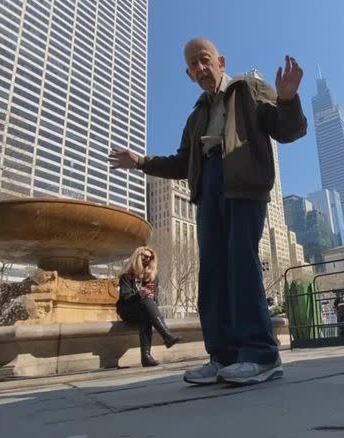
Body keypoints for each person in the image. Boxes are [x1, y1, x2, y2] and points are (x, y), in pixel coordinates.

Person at [109, 38, 306, 385]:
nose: (201, 69)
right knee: (212, 273)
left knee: (241, 265)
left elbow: (287, 129)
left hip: (243, 183)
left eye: (204, 60)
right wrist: (139, 162)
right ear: (188, 74)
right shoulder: (196, 116)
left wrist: (288, 99)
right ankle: (223, 356)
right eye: (193, 66)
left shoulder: (248, 89)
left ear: (220, 60)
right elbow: (182, 163)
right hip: (208, 187)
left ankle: (261, 355)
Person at [116, 246, 181, 367]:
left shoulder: (153, 278)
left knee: (146, 314)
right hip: (128, 309)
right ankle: (167, 336)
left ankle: (146, 357)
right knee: (145, 302)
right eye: (144, 256)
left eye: (150, 258)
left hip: (144, 310)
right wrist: (139, 294)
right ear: (137, 257)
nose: (147, 259)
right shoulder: (126, 277)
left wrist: (151, 297)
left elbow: (156, 301)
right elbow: (125, 298)